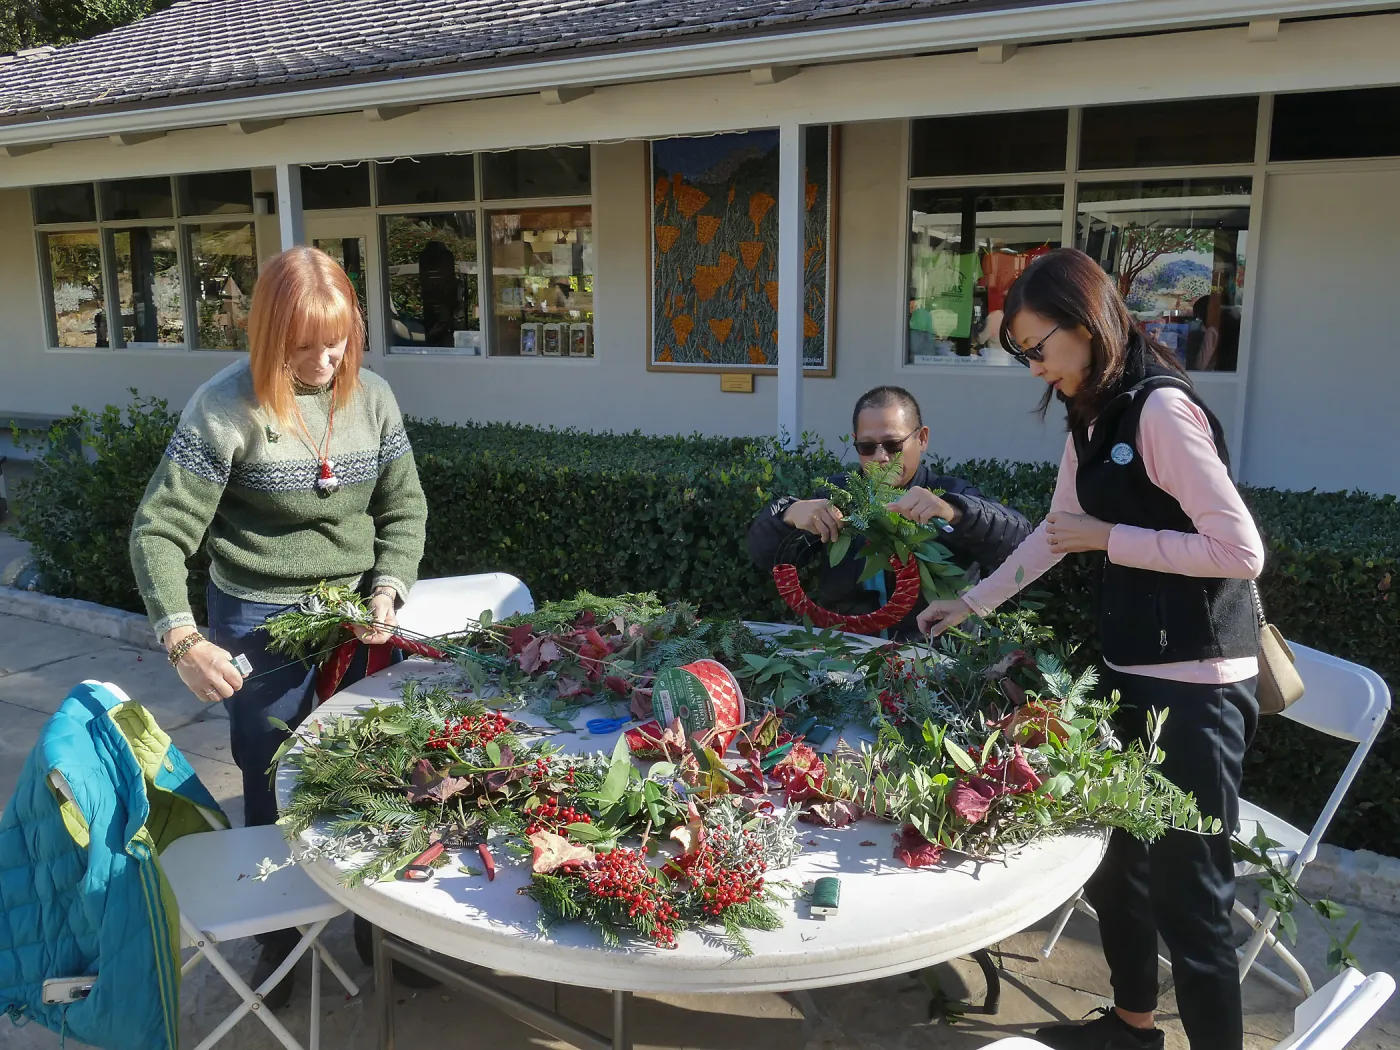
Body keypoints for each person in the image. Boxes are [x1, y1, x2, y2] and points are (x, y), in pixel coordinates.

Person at [917, 249, 1263, 1050]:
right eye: (1022, 355)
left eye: (1039, 349)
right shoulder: (1094, 410)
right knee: (1118, 869)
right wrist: (970, 603)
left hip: (1198, 682)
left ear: (1088, 325)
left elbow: (1240, 552)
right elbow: (1056, 533)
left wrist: (1116, 538)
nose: (1036, 369)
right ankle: (1134, 1028)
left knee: (1192, 900)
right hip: (1133, 670)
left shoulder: (1159, 412)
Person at [129, 245, 428, 1007]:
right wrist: (183, 638)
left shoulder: (377, 400)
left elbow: (404, 508)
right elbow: (158, 533)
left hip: (358, 620)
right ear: (267, 337)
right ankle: (280, 941)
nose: (326, 361)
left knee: (372, 777)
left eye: (339, 342)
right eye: (304, 348)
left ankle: (379, 932)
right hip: (256, 619)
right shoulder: (225, 409)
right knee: (269, 781)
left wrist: (388, 593)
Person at [747, 386, 1030, 640]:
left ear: (922, 439)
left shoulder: (949, 493)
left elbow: (1023, 543)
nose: (881, 458)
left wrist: (956, 513)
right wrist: (788, 515)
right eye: (867, 447)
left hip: (934, 653)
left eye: (894, 445)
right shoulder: (838, 495)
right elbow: (764, 555)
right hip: (847, 654)